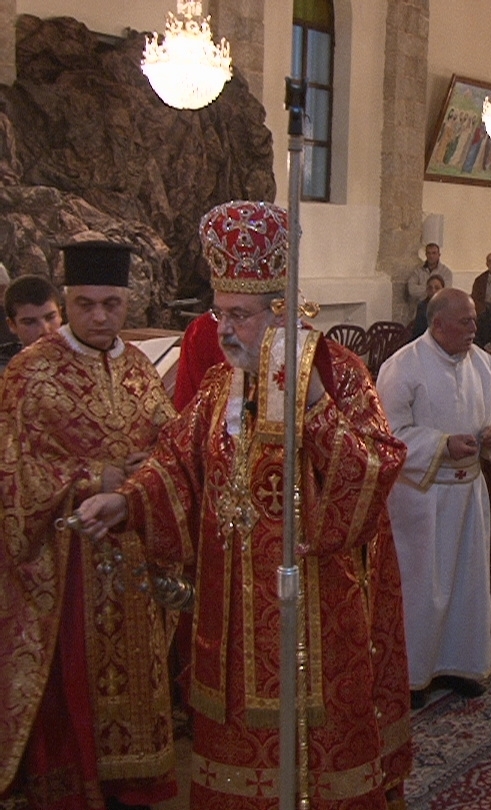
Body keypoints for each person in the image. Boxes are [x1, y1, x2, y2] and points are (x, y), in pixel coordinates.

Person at [76, 201, 413, 810]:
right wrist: (124, 503)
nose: (225, 330)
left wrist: (312, 408)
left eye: (240, 315)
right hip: (230, 618)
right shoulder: (217, 387)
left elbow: (376, 468)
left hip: (312, 614)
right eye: (220, 312)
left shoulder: (338, 374)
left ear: (280, 312)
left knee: (310, 763)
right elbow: (176, 466)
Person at [0, 241, 178, 810]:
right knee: (73, 676)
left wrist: (150, 472)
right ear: (67, 301)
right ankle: (74, 783)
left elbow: (166, 439)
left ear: (127, 302)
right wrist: (93, 476)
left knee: (138, 672)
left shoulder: (136, 366)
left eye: (111, 305)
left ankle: (134, 782)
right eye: (84, 304)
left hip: (133, 553)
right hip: (66, 554)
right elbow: (14, 465)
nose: (99, 317)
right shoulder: (31, 369)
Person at [376, 287, 491, 709]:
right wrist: (440, 444)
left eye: (475, 320)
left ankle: (462, 665)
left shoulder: (484, 364)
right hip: (422, 498)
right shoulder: (403, 367)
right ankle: (415, 674)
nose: (475, 328)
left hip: (469, 493)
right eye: (466, 321)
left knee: (468, 582)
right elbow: (388, 435)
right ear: (438, 325)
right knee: (423, 587)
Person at [1, 274, 63, 367]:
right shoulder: (6, 369)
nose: (44, 330)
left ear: (60, 314)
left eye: (50, 317)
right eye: (29, 322)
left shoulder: (84, 360)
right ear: (12, 325)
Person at [172, 309, 227, 409]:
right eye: (218, 314)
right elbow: (187, 405)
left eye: (239, 315)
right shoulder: (202, 332)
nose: (221, 330)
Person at [407, 242, 453, 306]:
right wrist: (432, 289)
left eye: (434, 253)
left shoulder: (446, 272)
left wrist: (423, 290)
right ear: (426, 255)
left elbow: (445, 292)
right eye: (429, 253)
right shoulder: (418, 271)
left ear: (439, 255)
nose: (431, 256)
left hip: (439, 307)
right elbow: (411, 289)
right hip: (422, 307)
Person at [411, 272, 445, 340]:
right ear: (427, 290)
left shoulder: (448, 306)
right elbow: (419, 331)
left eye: (437, 288)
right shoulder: (422, 307)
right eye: (430, 288)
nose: (433, 291)